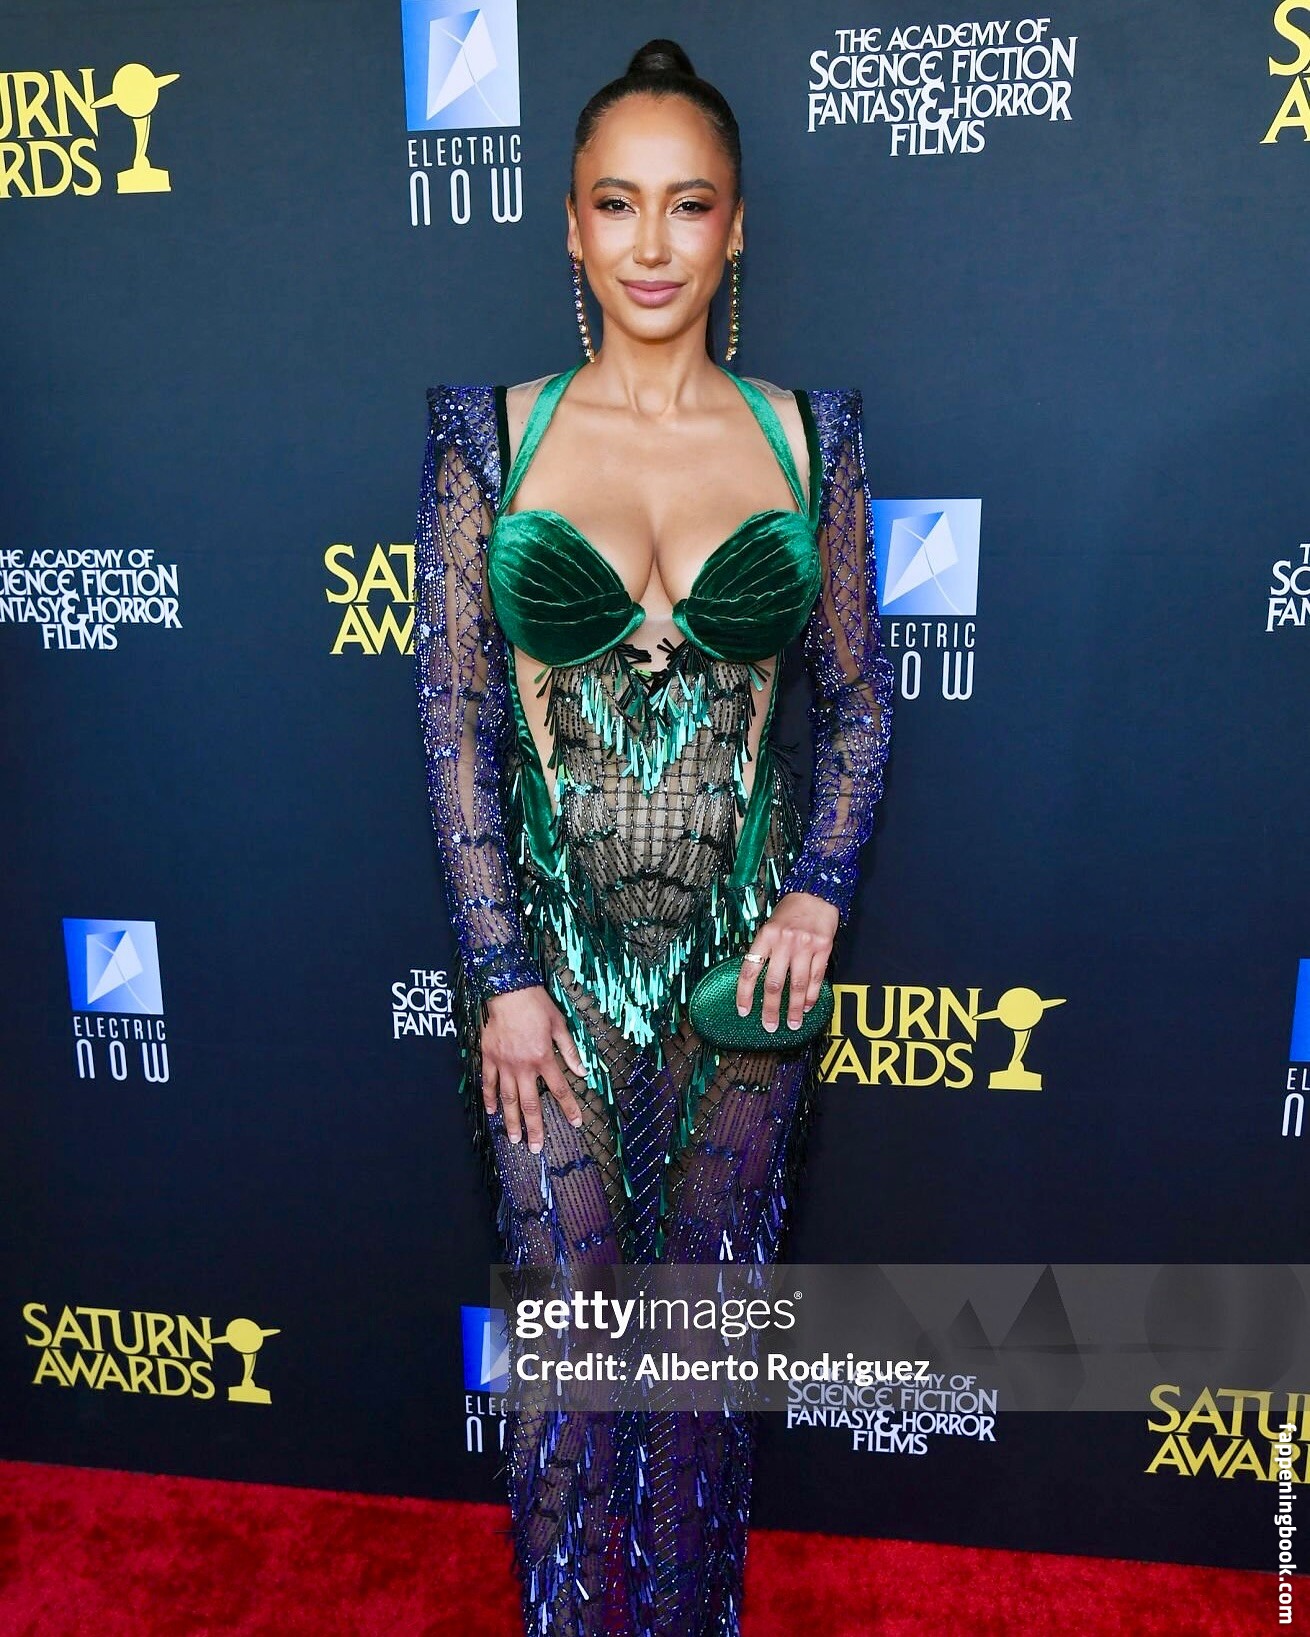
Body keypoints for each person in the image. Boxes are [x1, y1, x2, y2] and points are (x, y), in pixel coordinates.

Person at [414, 36, 894, 1637]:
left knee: (697, 1377)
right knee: (566, 1368)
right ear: (569, 224)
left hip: (744, 988)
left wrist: (817, 892)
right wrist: (500, 973)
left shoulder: (810, 437)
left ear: (734, 226)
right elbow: (454, 722)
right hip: (548, 979)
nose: (649, 243)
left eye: (687, 205)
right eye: (615, 203)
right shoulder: (488, 434)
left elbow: (858, 703)